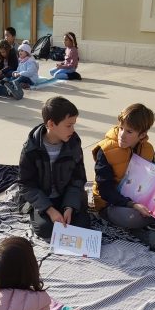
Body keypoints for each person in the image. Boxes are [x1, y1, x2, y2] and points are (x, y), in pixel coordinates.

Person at [92, 103, 155, 250]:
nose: (122, 134)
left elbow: (152, 179)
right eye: (121, 128)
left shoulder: (147, 149)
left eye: (129, 131)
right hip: (113, 205)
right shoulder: (106, 150)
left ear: (142, 135)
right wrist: (133, 205)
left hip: (142, 200)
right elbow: (105, 191)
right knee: (131, 217)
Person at [18, 96, 90, 240]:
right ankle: (37, 212)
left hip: (66, 196)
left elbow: (78, 179)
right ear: (51, 124)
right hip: (43, 199)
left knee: (83, 225)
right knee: (46, 229)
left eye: (74, 125)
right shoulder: (31, 149)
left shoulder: (74, 144)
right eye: (69, 125)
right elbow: (26, 185)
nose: (73, 130)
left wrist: (69, 207)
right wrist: (49, 210)